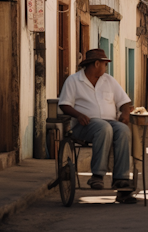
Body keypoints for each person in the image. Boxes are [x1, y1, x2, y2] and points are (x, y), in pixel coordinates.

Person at [58, 48, 135, 202]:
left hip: (110, 122)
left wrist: (125, 114)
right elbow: (64, 104)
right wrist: (78, 115)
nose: (106, 68)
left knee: (123, 130)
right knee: (103, 127)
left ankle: (121, 179)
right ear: (97, 63)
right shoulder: (73, 80)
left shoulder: (109, 80)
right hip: (84, 125)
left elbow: (125, 102)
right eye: (104, 64)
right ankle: (98, 175)